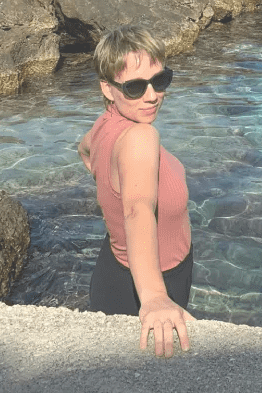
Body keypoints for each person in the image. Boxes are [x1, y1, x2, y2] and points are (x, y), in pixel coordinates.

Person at [78, 24, 194, 357]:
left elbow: (85, 150)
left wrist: (111, 182)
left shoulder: (105, 124)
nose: (152, 95)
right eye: (134, 87)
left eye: (161, 80)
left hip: (115, 267)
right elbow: (137, 209)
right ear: (107, 88)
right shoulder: (141, 138)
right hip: (155, 277)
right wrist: (156, 297)